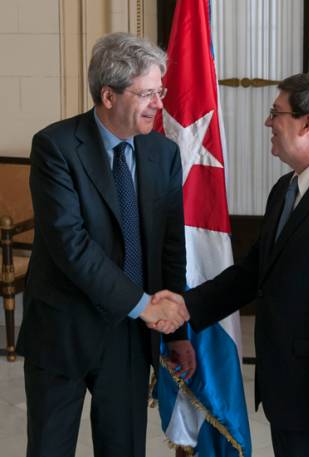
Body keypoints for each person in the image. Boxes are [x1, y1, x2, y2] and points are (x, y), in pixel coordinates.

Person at [152, 73, 309, 457]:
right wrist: (184, 308)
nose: (268, 122)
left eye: (276, 113)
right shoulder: (286, 190)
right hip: (288, 393)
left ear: (307, 123)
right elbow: (253, 273)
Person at [16, 32, 193, 457]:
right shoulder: (55, 147)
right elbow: (70, 246)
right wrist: (144, 305)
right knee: (49, 448)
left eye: (160, 91)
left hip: (130, 335)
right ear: (109, 95)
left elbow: (171, 247)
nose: (159, 103)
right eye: (147, 93)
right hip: (63, 331)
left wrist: (177, 331)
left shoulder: (162, 153)